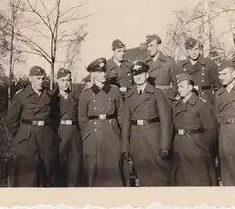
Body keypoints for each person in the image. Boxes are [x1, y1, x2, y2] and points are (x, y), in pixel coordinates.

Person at [5, 65, 60, 187]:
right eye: (37, 78)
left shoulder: (50, 96)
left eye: (42, 78)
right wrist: (22, 135)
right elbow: (10, 121)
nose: (41, 82)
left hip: (45, 139)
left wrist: (50, 134)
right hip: (27, 140)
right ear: (30, 79)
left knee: (47, 174)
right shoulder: (21, 96)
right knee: (27, 176)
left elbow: (55, 118)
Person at [121, 61, 173, 186]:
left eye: (141, 73)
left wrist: (165, 146)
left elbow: (166, 122)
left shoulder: (156, 93)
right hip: (136, 141)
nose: (138, 77)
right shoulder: (129, 96)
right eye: (135, 74)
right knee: (143, 178)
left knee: (160, 177)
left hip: (154, 140)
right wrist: (125, 147)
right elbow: (125, 124)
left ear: (147, 75)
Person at [78, 57, 125, 187]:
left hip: (112, 134)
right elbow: (82, 118)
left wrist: (120, 136)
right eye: (99, 71)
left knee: (114, 170)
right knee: (94, 171)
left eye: (104, 71)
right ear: (93, 74)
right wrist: (87, 136)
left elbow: (121, 114)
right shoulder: (86, 94)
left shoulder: (114, 91)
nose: (103, 74)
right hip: (93, 136)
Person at [171, 73, 218, 186]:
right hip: (179, 147)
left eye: (182, 86)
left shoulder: (201, 104)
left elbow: (211, 130)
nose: (179, 89)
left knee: (198, 181)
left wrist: (201, 146)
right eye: (178, 87)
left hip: (196, 148)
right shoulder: (175, 105)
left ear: (190, 87)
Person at [56, 68, 83, 187]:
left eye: (68, 80)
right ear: (57, 81)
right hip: (59, 134)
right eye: (62, 80)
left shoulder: (77, 98)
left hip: (74, 133)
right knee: (59, 165)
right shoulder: (53, 98)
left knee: (75, 167)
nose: (65, 83)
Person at [179, 37, 221, 104]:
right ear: (187, 51)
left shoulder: (209, 63)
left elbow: (218, 86)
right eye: (191, 50)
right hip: (188, 100)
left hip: (206, 100)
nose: (194, 52)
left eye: (196, 49)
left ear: (199, 49)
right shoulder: (181, 66)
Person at [143, 34, 181, 103]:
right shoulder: (144, 63)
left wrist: (172, 94)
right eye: (148, 46)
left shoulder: (169, 61)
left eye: (151, 45)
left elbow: (176, 81)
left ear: (159, 46)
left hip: (166, 98)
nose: (149, 49)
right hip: (149, 99)